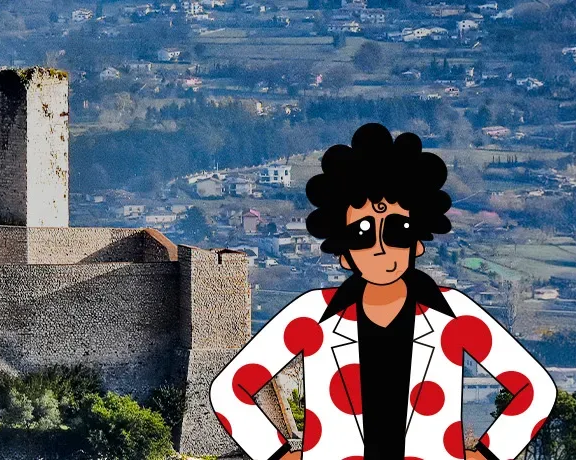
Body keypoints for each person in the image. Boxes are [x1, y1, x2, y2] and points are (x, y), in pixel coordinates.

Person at [209, 123, 554, 460]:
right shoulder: (311, 315)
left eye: (398, 230)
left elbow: (536, 390)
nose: (380, 247)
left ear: (417, 242)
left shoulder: (454, 314)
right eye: (361, 234)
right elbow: (229, 391)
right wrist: (279, 454)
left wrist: (488, 454)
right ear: (343, 252)